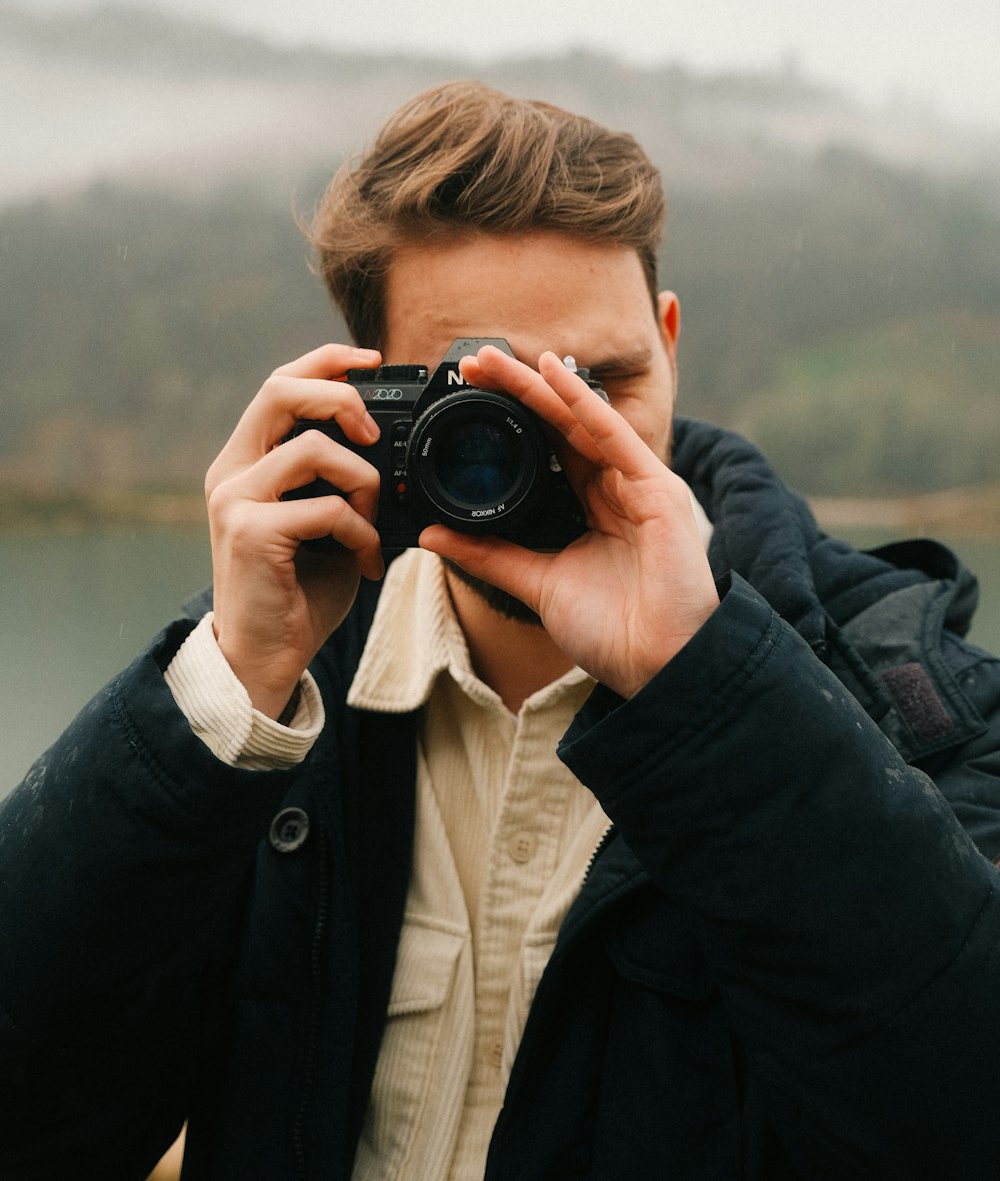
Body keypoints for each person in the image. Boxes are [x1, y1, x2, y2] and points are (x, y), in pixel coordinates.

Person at [2, 81, 1000, 1181]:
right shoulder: (266, 689)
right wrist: (224, 693)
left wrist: (706, 691)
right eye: (480, 402)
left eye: (599, 382)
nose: (555, 442)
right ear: (364, 388)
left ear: (669, 348)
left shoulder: (917, 702)